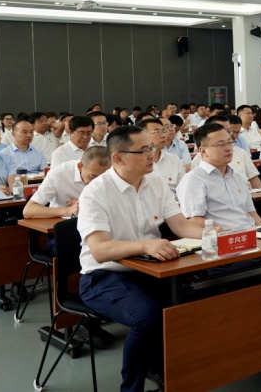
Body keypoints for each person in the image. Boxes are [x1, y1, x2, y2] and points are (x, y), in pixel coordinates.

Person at [78, 126, 203, 392]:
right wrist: (145, 244)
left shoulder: (155, 182)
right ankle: (132, 387)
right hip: (103, 277)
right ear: (118, 158)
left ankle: (173, 370)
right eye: (143, 150)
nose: (151, 155)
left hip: (151, 271)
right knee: (147, 316)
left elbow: (181, 226)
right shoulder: (95, 192)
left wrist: (217, 234)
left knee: (198, 301)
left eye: (151, 148)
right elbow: (100, 250)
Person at [177, 123, 261, 230]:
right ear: (203, 151)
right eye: (221, 144)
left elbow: (252, 213)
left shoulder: (236, 177)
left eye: (230, 143)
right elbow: (194, 220)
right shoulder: (194, 179)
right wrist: (225, 233)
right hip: (223, 236)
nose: (228, 148)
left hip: (251, 233)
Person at [23, 147, 111, 220]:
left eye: (103, 177)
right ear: (80, 166)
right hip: (67, 225)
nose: (98, 181)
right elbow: (28, 210)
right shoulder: (58, 174)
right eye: (93, 176)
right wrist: (68, 210)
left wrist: (85, 203)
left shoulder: (114, 174)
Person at [190, 115, 261, 189]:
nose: (227, 135)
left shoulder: (240, 152)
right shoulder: (198, 162)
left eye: (229, 131)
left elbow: (254, 179)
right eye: (222, 131)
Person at [138, 118, 185, 197]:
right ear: (143, 136)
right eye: (157, 132)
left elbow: (184, 191)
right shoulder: (136, 163)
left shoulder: (174, 160)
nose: (163, 135)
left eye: (164, 131)